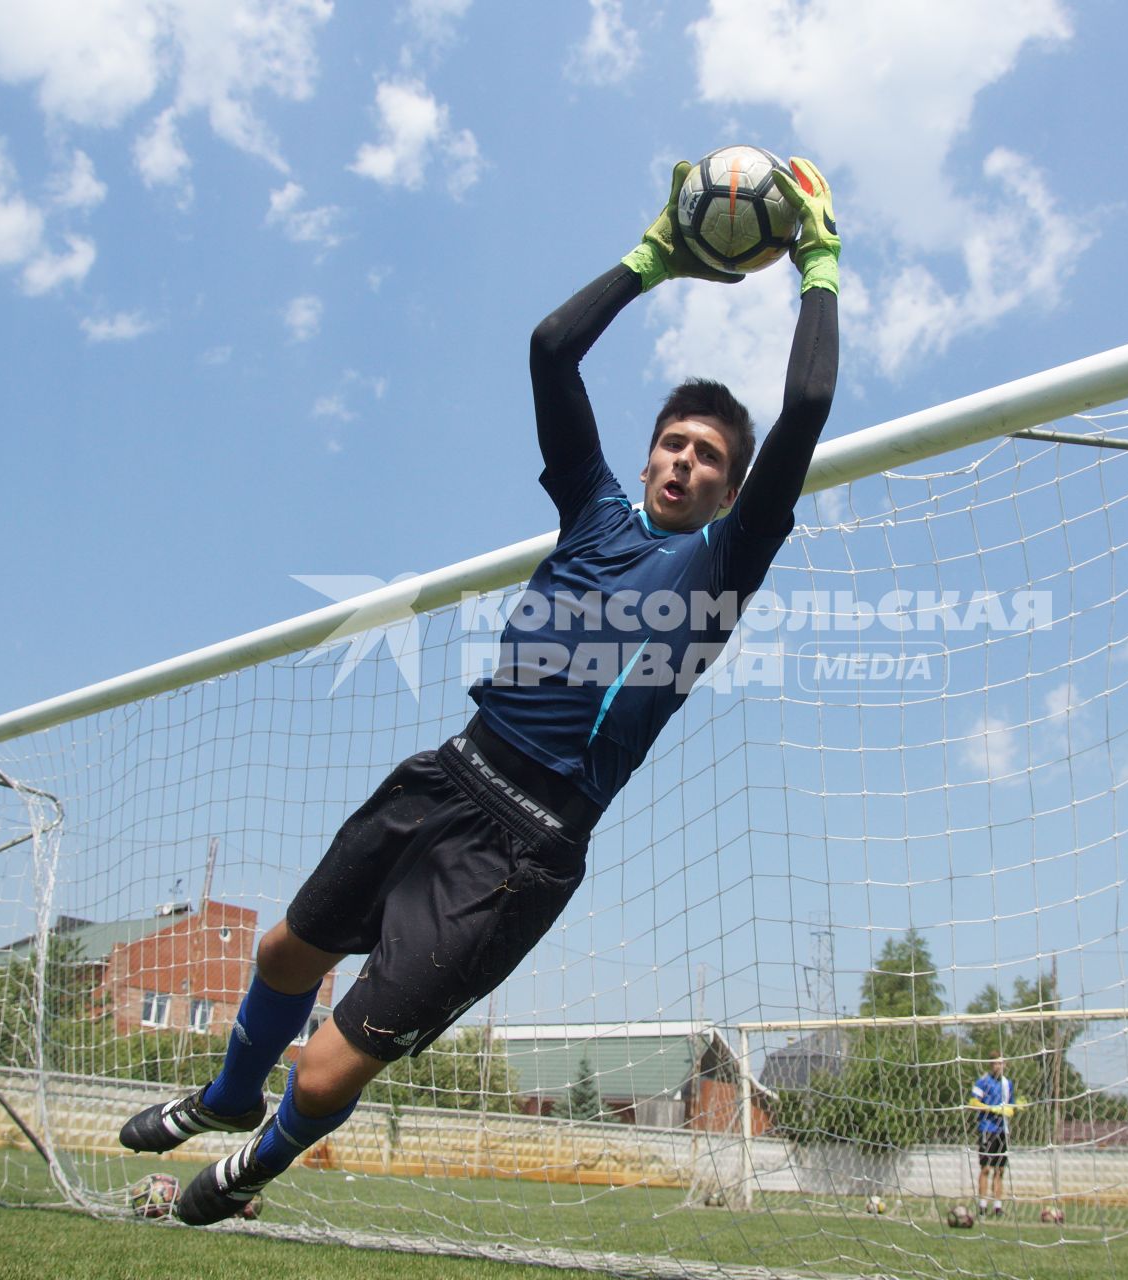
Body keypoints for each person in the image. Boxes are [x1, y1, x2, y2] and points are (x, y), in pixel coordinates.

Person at [116, 156, 842, 1225]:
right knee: (280, 949)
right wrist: (652, 257)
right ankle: (227, 1092)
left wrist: (817, 262)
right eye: (670, 444)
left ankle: (252, 1165)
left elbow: (810, 403)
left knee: (322, 1076)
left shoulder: (720, 571)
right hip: (448, 772)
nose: (681, 461)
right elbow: (550, 348)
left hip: (524, 849)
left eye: (706, 457)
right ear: (647, 462)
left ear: (733, 493)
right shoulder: (594, 513)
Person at [969, 1056, 1015, 1218]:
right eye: (996, 1063)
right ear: (991, 1065)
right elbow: (973, 1102)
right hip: (987, 1129)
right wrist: (992, 1109)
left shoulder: (1007, 1084)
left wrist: (1012, 1109)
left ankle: (998, 1207)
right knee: (986, 1168)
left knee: (1000, 1169)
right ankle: (982, 1206)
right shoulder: (983, 1082)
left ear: (1005, 1065)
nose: (998, 1066)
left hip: (1003, 1130)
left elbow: (1011, 1106)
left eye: (1001, 1063)